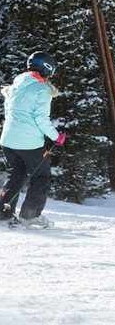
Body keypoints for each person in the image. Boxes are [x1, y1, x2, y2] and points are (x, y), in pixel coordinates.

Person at [1, 52, 67, 229]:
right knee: (41, 176)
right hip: (28, 142)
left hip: (8, 140)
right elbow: (41, 119)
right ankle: (30, 216)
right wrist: (57, 137)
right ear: (47, 69)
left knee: (17, 174)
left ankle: (3, 214)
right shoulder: (41, 89)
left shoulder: (17, 84)